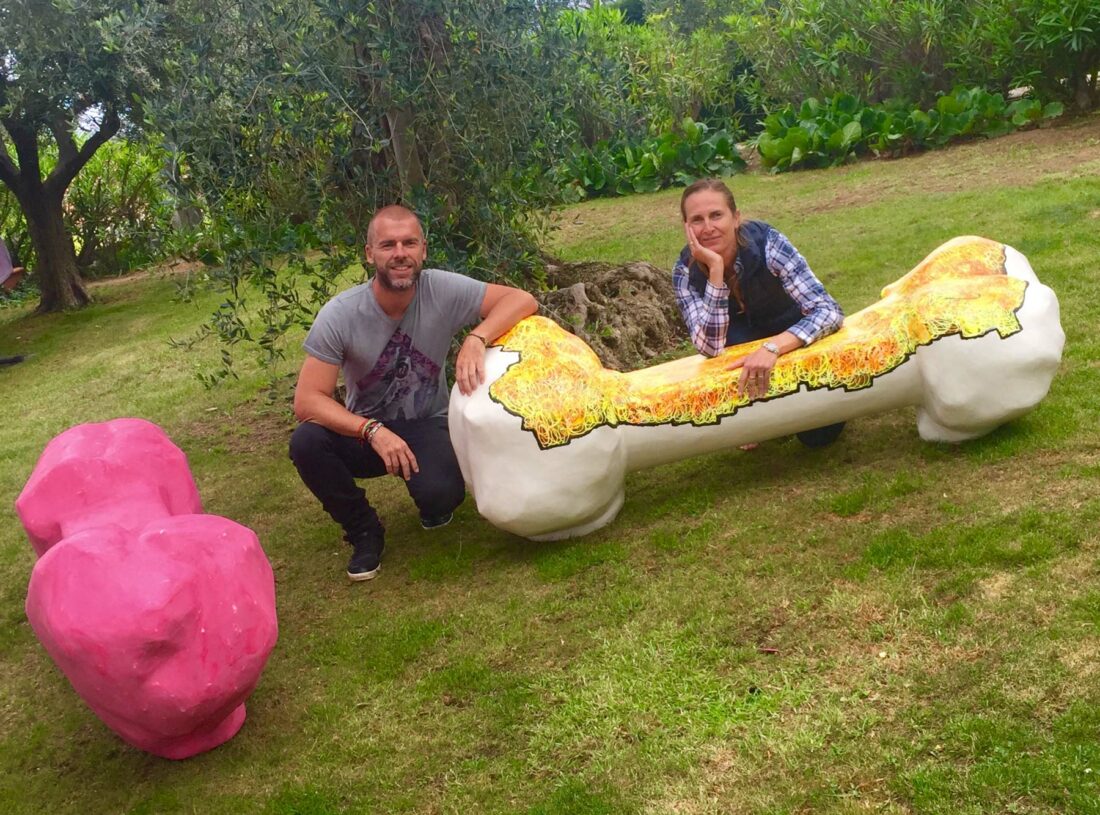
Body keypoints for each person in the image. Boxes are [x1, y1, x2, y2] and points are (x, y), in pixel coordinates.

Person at [289, 205, 538, 581]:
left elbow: (522, 299)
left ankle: (430, 496)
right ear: (369, 254)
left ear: (423, 250)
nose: (400, 253)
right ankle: (364, 530)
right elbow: (307, 400)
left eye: (409, 243)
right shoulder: (340, 314)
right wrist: (372, 431)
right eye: (388, 244)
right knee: (306, 441)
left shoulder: (441, 288)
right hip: (366, 434)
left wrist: (476, 337)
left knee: (441, 497)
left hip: (425, 425)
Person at [673, 178, 845, 448]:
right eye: (697, 219)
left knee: (818, 437)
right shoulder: (685, 270)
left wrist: (773, 347)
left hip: (790, 336)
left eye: (716, 215)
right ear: (687, 227)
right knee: (731, 342)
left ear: (736, 217)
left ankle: (777, 413)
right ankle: (758, 414)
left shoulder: (768, 243)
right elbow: (709, 347)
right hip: (741, 349)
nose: (708, 228)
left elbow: (828, 310)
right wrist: (715, 271)